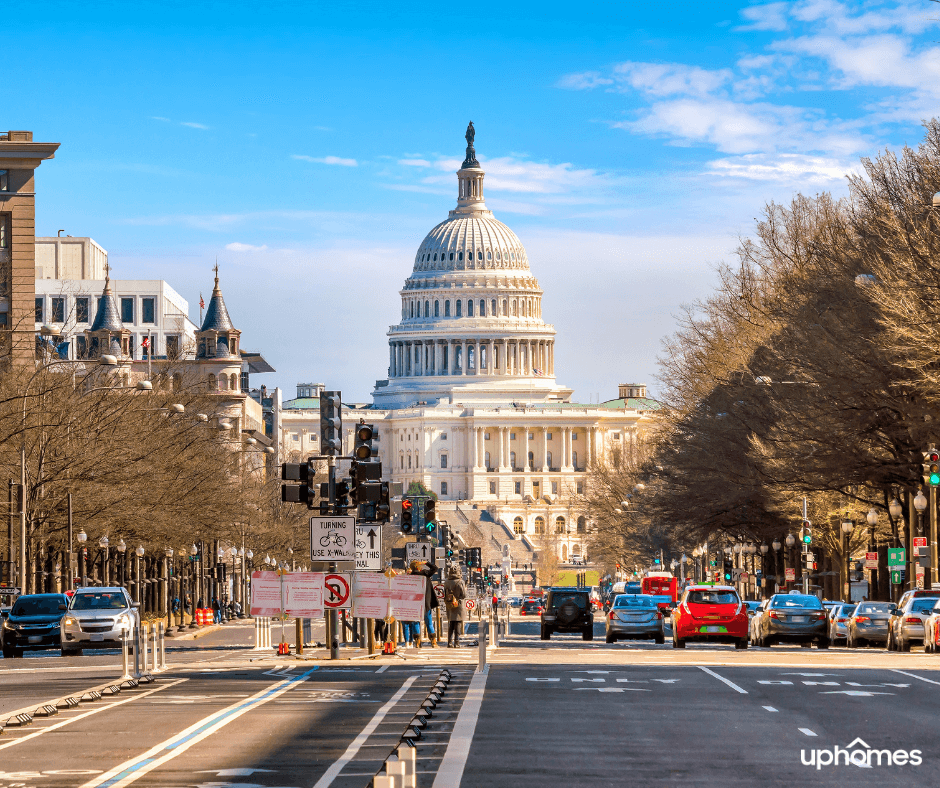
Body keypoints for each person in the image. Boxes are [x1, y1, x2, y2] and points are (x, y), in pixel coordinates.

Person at [407, 559, 440, 647]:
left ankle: (417, 642)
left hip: (414, 604)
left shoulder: (409, 578)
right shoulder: (425, 574)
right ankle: (433, 641)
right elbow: (435, 568)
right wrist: (427, 563)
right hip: (426, 603)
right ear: (418, 567)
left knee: (415, 622)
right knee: (429, 622)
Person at [443, 566, 468, 647]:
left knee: (451, 623)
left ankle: (449, 642)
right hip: (458, 604)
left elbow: (445, 593)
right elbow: (464, 595)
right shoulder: (460, 582)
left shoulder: (446, 582)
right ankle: (456, 642)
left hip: (449, 603)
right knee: (458, 623)